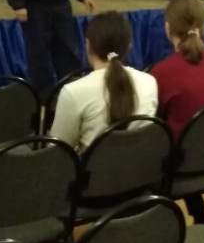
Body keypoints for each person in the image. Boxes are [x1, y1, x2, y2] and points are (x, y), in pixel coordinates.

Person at [151, 0, 204, 224]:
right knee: (191, 133)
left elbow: (155, 124)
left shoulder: (162, 72)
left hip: (180, 161)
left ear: (168, 28)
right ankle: (200, 212)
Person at [50, 11, 158, 153]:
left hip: (90, 167)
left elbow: (58, 151)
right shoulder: (149, 82)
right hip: (142, 164)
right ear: (129, 47)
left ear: (88, 46)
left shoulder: (73, 92)